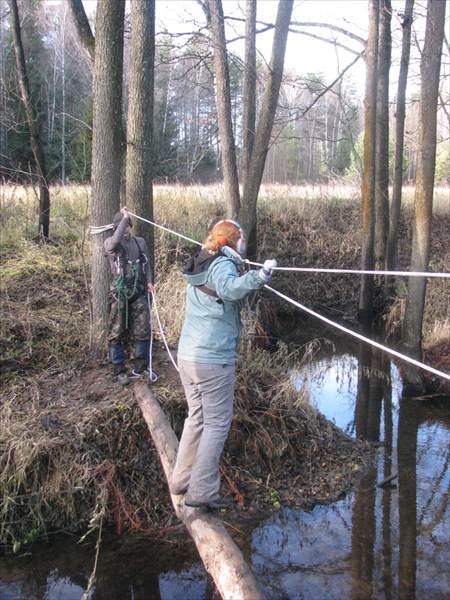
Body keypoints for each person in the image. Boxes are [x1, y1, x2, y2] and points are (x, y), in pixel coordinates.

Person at [170, 219, 277, 510]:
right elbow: (229, 290)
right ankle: (202, 490)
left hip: (188, 357)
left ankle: (180, 480)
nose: (245, 242)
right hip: (212, 359)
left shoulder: (203, 260)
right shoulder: (222, 265)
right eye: (242, 238)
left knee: (197, 418)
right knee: (217, 424)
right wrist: (261, 276)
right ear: (235, 241)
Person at [104, 207, 154, 385]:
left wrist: (149, 281)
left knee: (143, 329)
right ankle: (119, 368)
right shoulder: (111, 243)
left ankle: (141, 365)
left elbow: (146, 264)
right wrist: (124, 218)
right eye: (121, 226)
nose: (125, 229)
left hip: (138, 290)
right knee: (116, 331)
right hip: (119, 292)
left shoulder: (139, 242)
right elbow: (115, 240)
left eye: (127, 226)